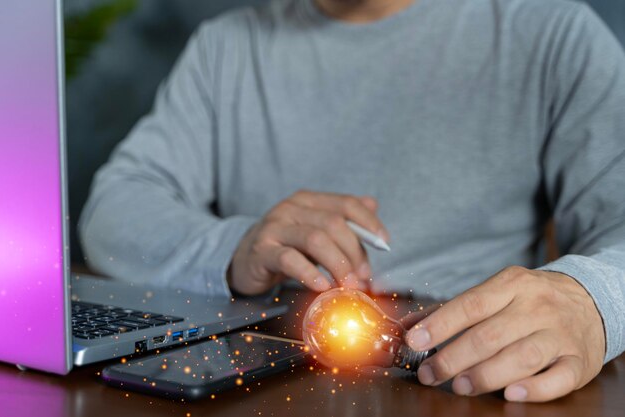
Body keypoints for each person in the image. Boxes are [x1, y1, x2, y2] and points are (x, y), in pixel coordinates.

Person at [79, 0, 625, 402]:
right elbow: (114, 209)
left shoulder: (551, 32)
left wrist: (593, 299)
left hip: (460, 385)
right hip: (266, 380)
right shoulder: (228, 47)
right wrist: (234, 247)